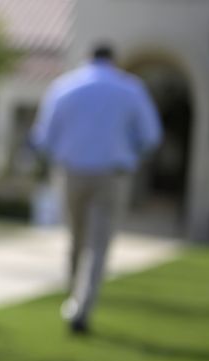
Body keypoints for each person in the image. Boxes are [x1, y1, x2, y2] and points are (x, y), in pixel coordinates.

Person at [31, 44, 162, 335]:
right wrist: (130, 151)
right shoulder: (130, 89)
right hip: (112, 175)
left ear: (88, 58)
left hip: (71, 173)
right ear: (113, 60)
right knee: (98, 245)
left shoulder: (64, 87)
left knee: (76, 240)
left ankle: (73, 299)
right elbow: (151, 136)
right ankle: (82, 307)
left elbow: (44, 138)